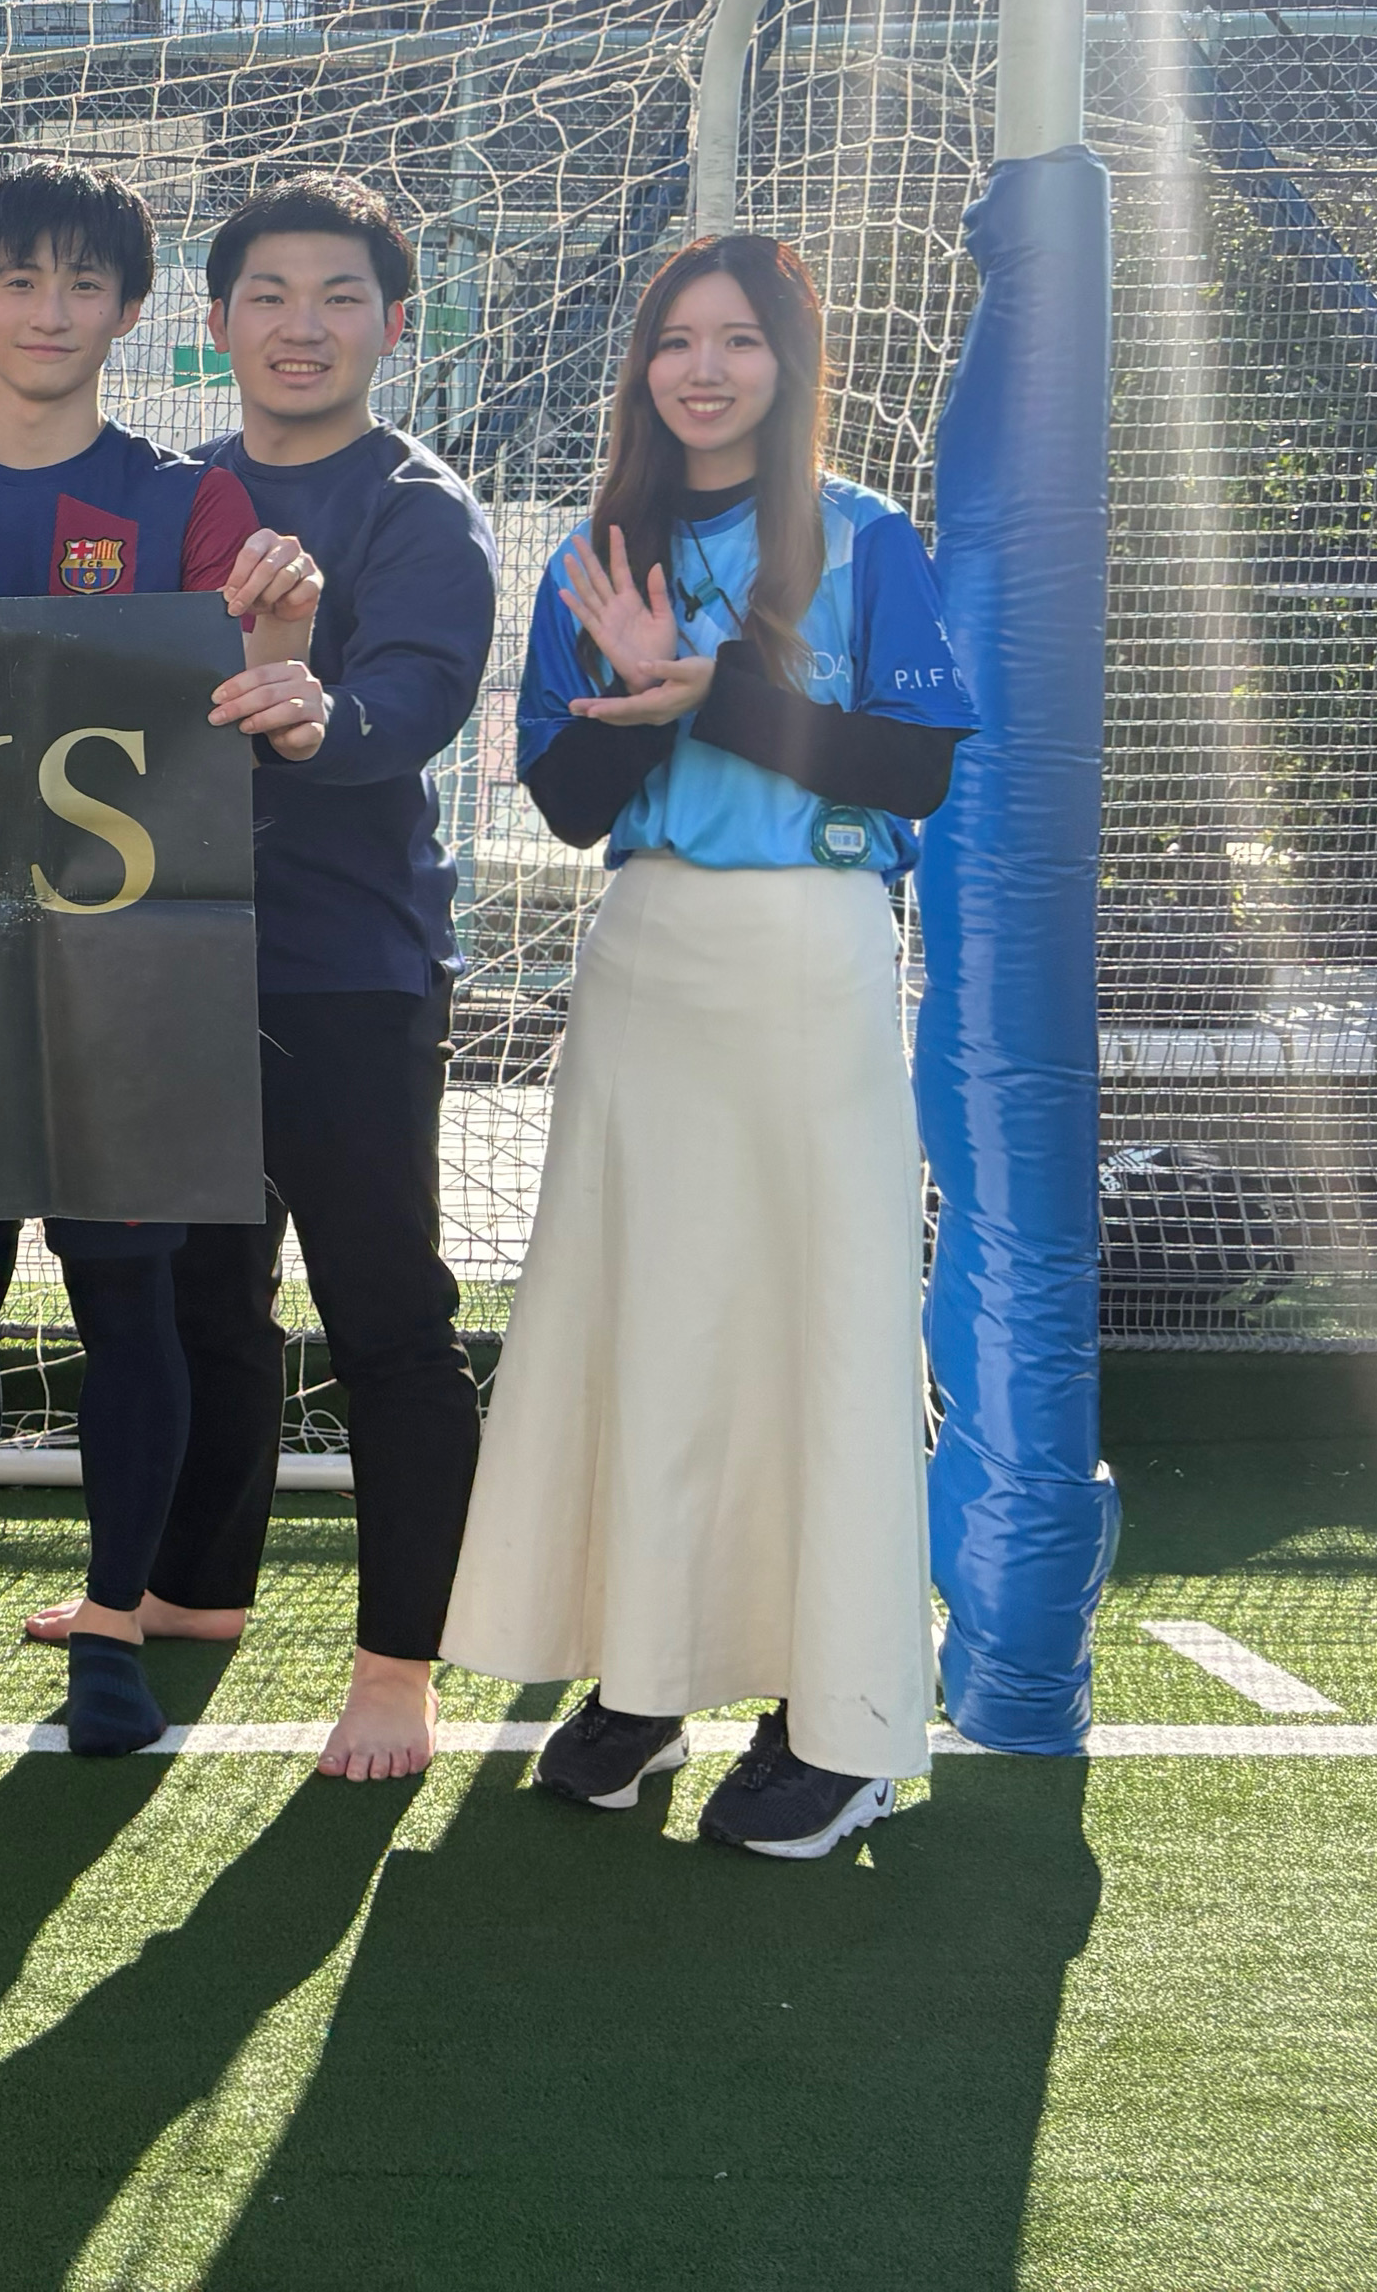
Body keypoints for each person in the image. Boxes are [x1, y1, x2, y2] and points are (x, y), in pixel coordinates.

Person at [439, 231, 971, 1861]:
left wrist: (712, 693)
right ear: (645, 368)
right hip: (646, 962)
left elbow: (915, 773)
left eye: (739, 338)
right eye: (678, 339)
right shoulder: (595, 553)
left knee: (819, 1328)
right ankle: (647, 1676)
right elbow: (566, 802)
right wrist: (623, 692)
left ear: (789, 362)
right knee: (644, 1319)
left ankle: (842, 1723)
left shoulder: (867, 539)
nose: (705, 368)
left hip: (811, 959)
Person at [0, 164, 328, 1759]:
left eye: (84, 283)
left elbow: (252, 700)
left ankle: (114, 1628)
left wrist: (280, 639)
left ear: (130, 311)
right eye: (21, 280)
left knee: (130, 1297)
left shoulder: (192, 505)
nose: (50, 311)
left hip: (131, 975)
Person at [73, 174, 502, 1786]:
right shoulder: (174, 494)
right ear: (216, 322)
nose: (301, 326)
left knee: (385, 1319)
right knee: (205, 1293)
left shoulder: (419, 507)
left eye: (337, 297)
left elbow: (414, 697)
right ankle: (197, 1588)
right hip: (174, 957)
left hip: (349, 973)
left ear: (393, 326)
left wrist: (325, 713)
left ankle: (399, 1671)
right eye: (268, 294)